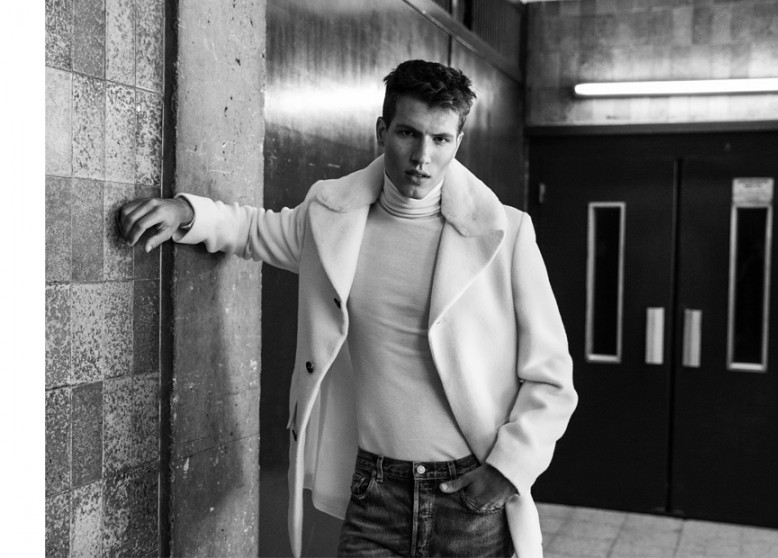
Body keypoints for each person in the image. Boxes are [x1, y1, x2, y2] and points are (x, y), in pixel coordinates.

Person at [118, 59, 577, 558]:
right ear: (382, 131)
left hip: (468, 496)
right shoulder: (333, 218)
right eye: (408, 133)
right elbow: (254, 230)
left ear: (458, 142)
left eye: (441, 139)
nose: (422, 156)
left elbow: (551, 378)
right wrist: (187, 212)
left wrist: (508, 470)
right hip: (374, 493)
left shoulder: (506, 235)